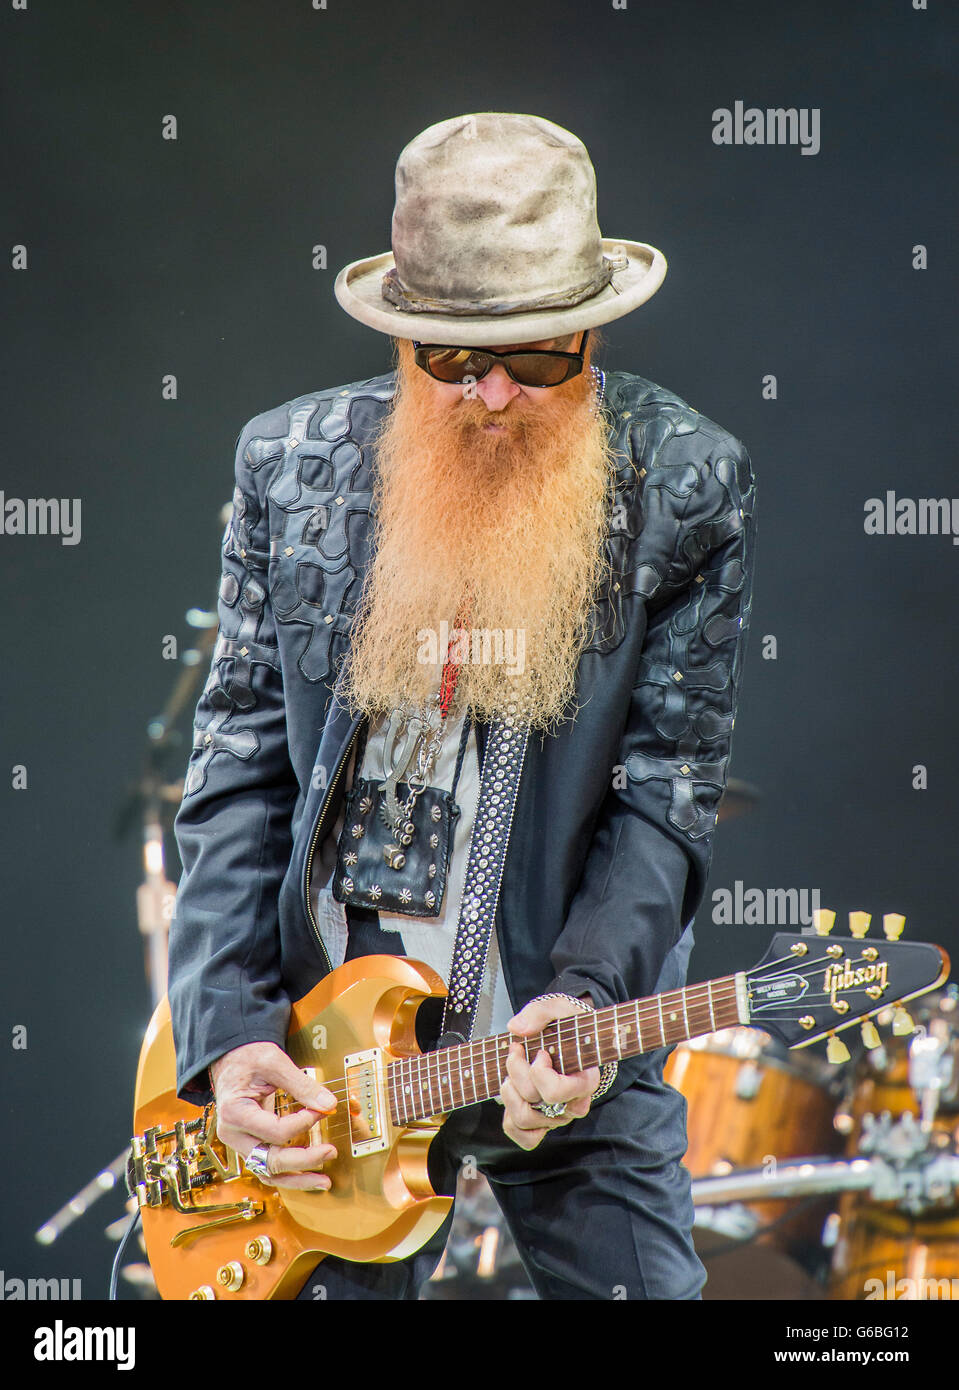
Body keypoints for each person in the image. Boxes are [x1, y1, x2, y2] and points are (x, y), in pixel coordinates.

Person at [167, 111, 757, 1300]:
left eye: (539, 358)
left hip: (565, 1032)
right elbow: (237, 769)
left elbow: (668, 791)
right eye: (449, 358)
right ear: (403, 339)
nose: (492, 392)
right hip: (328, 1058)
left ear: (593, 330)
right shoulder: (288, 467)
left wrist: (586, 993)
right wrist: (230, 1032)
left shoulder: (686, 482)